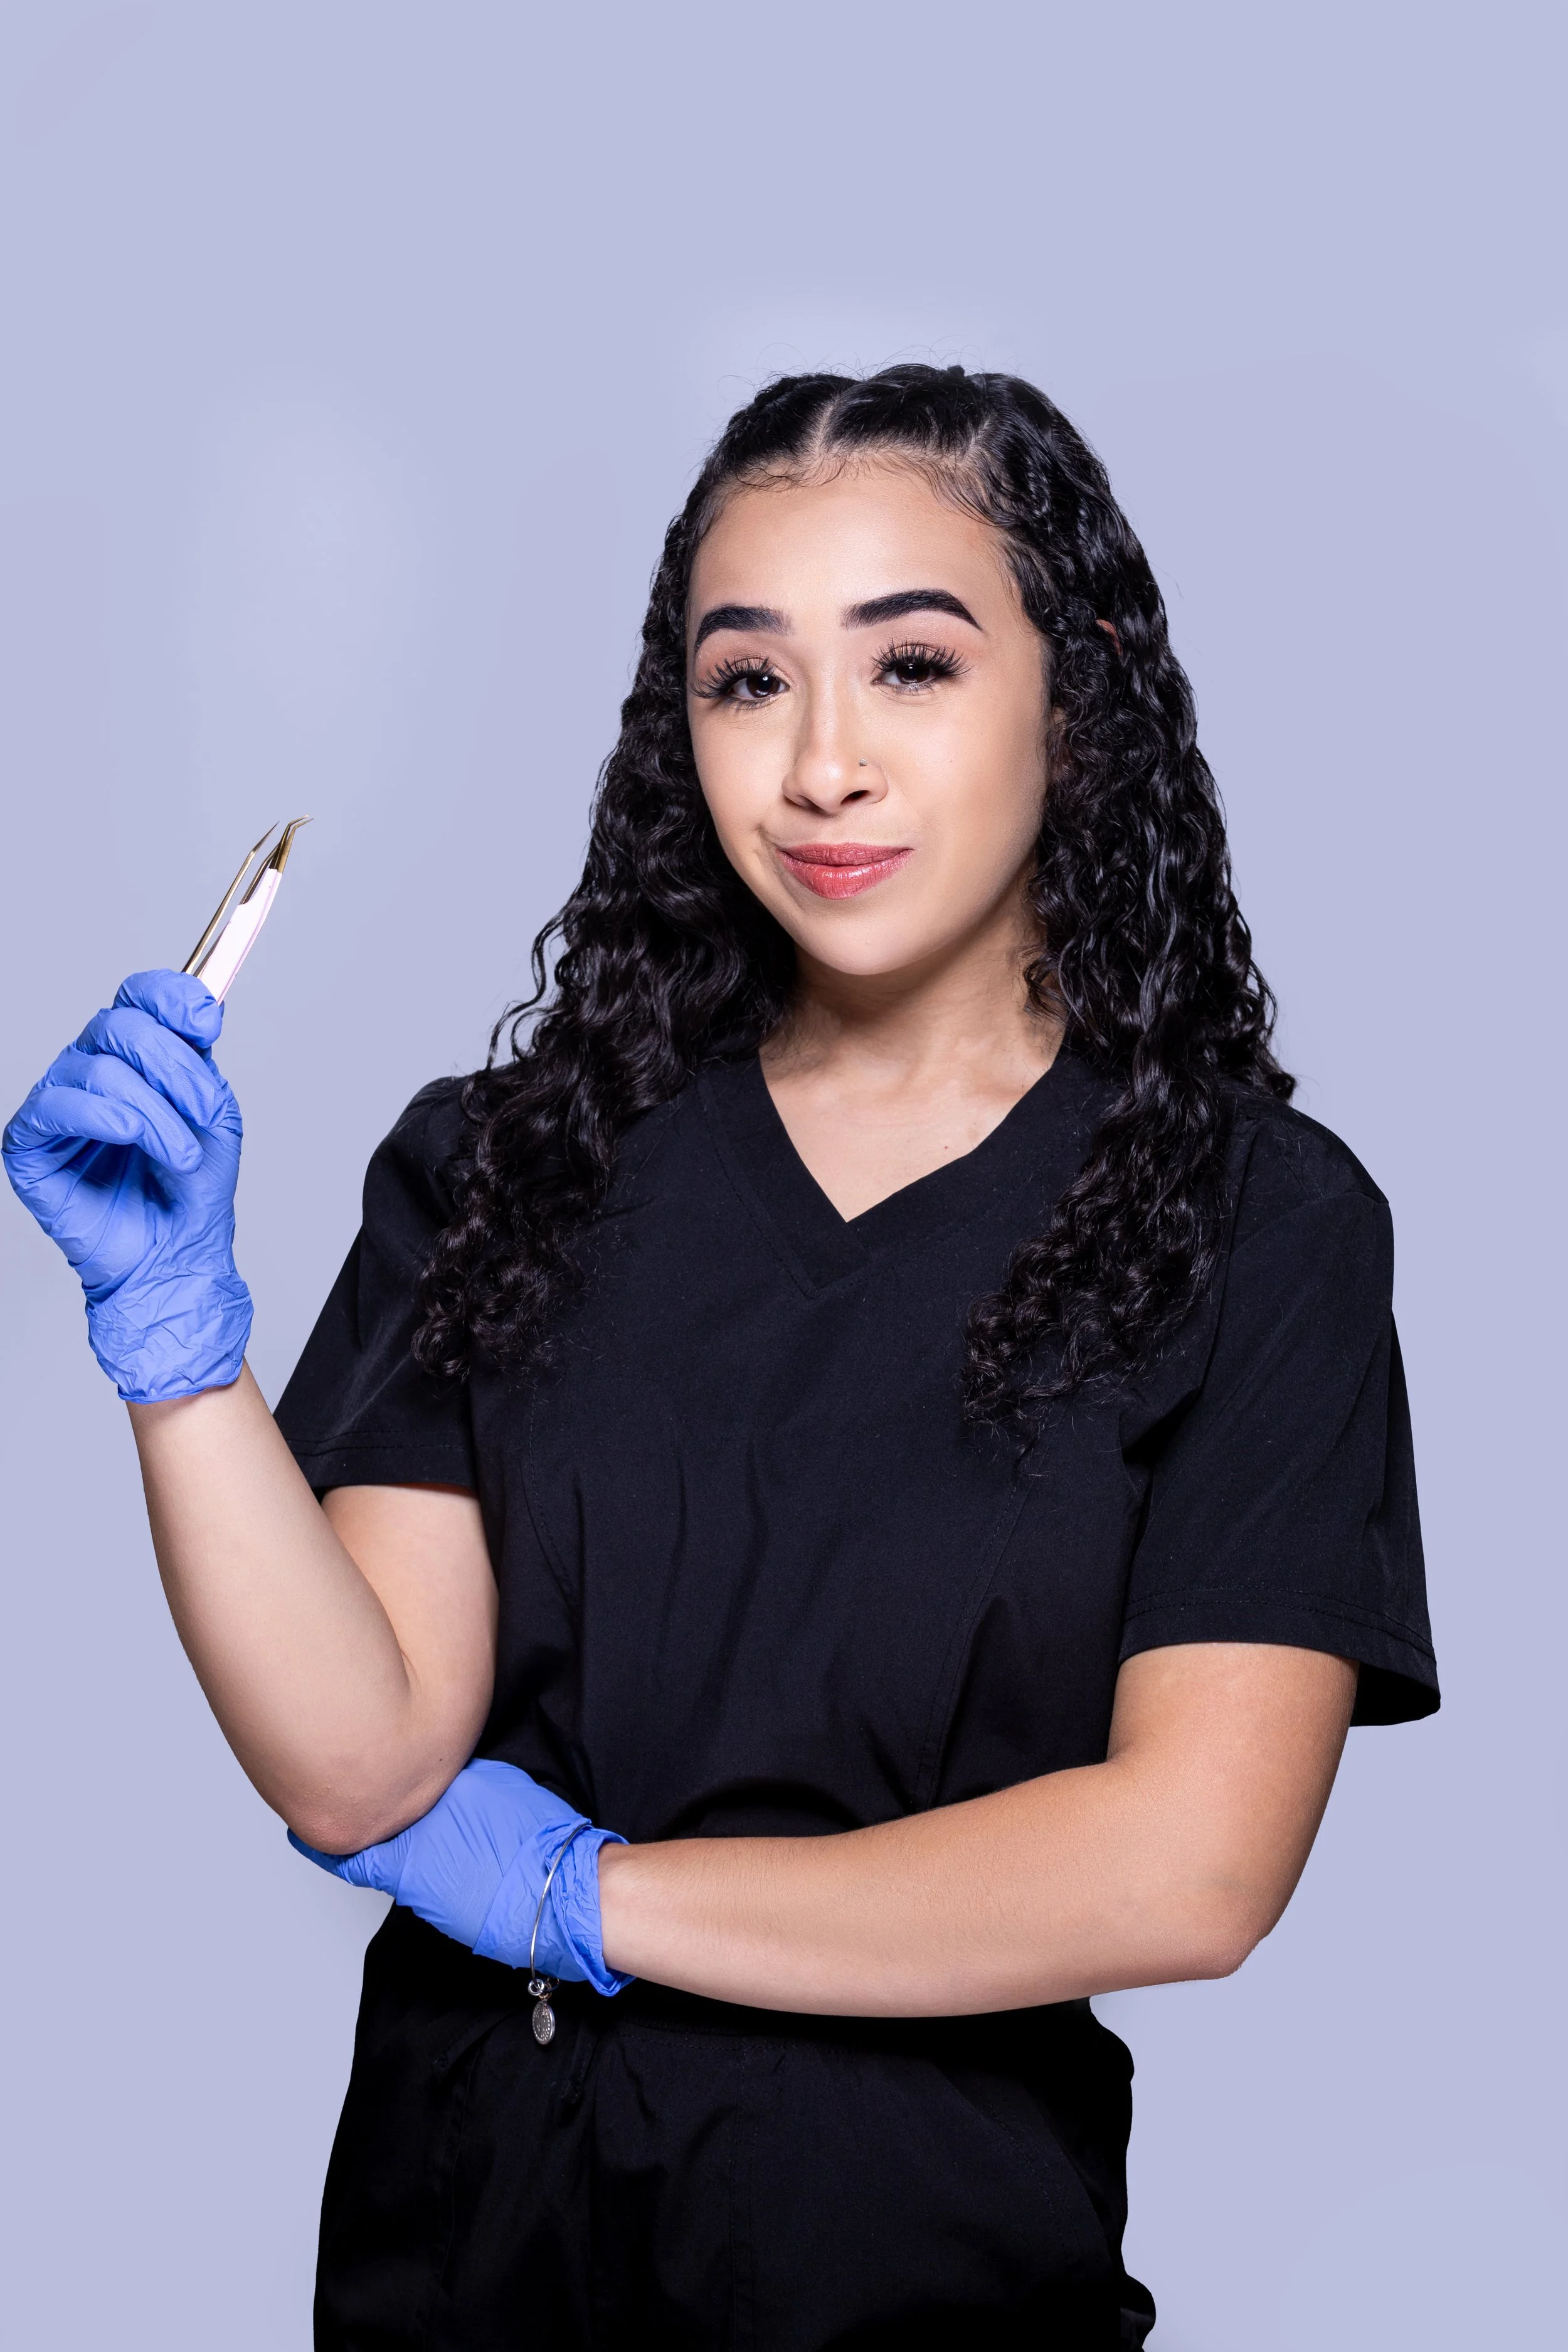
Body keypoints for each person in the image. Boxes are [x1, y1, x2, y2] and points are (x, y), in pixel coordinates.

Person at [4, 365, 1437, 2349]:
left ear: (1077, 689)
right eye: (747, 680)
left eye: (911, 664)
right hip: (459, 2265)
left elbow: (1187, 1865)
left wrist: (589, 1901)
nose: (820, 765)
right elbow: (360, 1756)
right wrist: (177, 1348)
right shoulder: (507, 1164)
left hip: (922, 2285)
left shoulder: (1254, 1218)